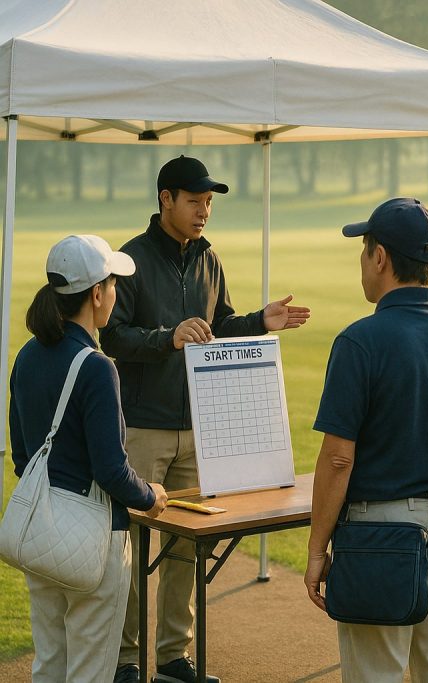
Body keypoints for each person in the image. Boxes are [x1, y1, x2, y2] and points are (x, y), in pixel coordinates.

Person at [100, 156, 310, 683]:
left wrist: (260, 322)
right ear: (165, 199)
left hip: (201, 429)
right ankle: (125, 659)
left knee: (186, 547)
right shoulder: (130, 261)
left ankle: (172, 657)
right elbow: (112, 336)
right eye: (195, 202)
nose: (204, 212)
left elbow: (218, 326)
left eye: (209, 203)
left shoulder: (209, 260)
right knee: (129, 544)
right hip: (143, 428)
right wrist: (167, 337)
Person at [303, 197, 428, 682]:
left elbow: (338, 460)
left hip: (379, 532)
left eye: (365, 252)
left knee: (375, 674)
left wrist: (317, 549)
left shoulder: (357, 342)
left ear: (381, 257)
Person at [9, 235, 169, 683]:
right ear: (96, 294)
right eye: (113, 285)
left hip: (41, 534)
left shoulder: (25, 357)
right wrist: (150, 496)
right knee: (89, 672)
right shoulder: (98, 366)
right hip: (96, 542)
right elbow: (111, 470)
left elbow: (24, 456)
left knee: (49, 666)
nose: (115, 294)